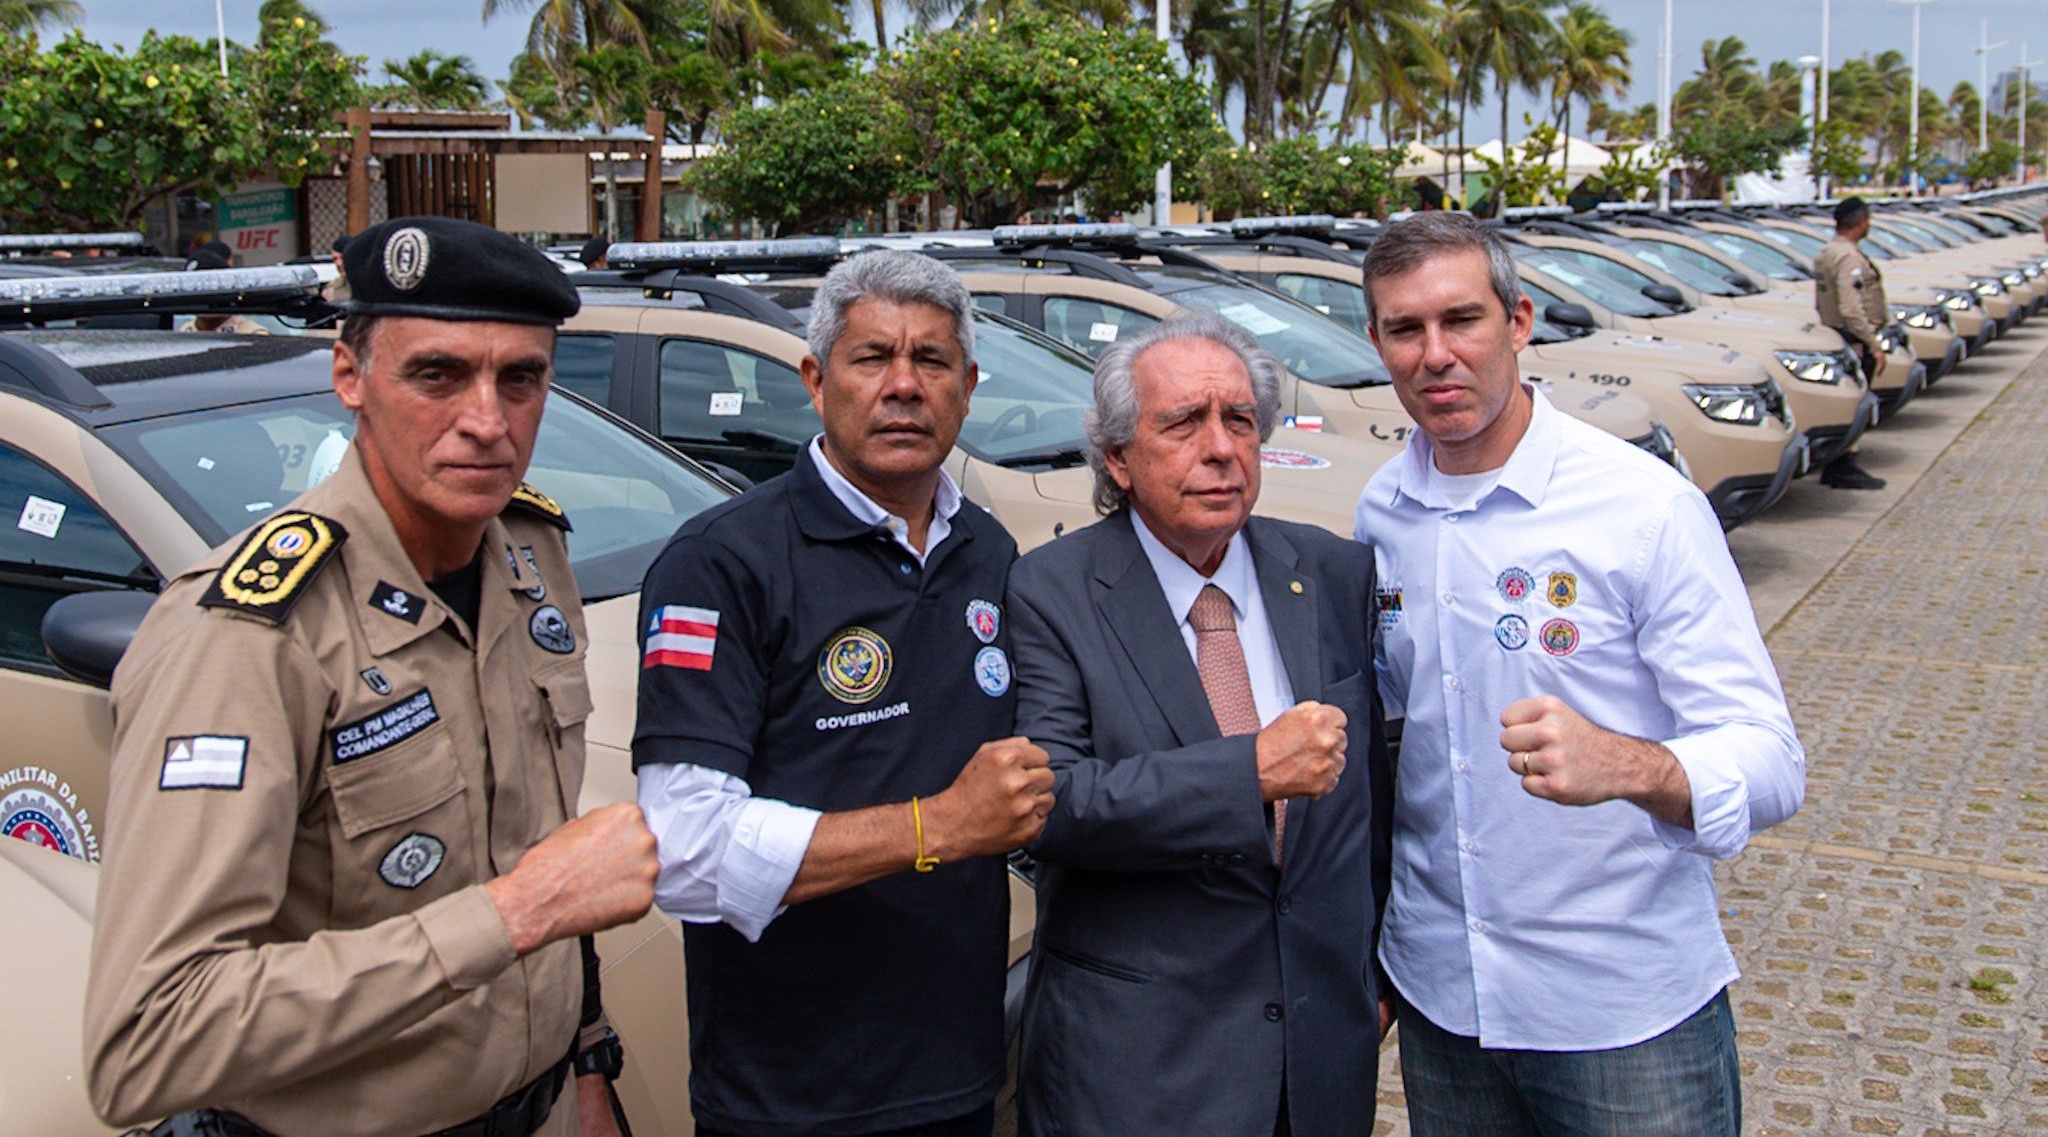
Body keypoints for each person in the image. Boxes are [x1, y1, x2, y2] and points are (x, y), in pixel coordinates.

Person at [84, 216, 658, 1137]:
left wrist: (587, 1058)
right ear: (349, 378)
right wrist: (511, 914)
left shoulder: (528, 554)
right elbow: (149, 1039)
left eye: (521, 378)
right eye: (437, 374)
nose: (487, 421)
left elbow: (531, 839)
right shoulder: (247, 635)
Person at [1352, 212, 1805, 1137]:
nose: (1435, 354)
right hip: (1448, 1004)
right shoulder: (1381, 512)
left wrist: (1634, 767)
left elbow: (1772, 761)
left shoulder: (1643, 508)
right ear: (1378, 343)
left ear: (1518, 322)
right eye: (1406, 329)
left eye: (1462, 320)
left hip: (1624, 1014)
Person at [633, 249, 1053, 1137]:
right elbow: (684, 848)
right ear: (816, 380)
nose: (904, 386)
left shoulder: (985, 547)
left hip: (959, 1067)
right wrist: (935, 827)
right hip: (790, 1093)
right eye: (873, 359)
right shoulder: (722, 563)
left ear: (968, 386)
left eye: (931, 361)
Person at [1008, 313, 1393, 1137]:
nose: (1221, 448)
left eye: (1241, 420)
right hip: (1143, 1069)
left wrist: (1374, 973)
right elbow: (1051, 805)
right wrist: (1248, 771)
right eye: (1183, 423)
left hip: (1322, 1057)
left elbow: (1378, 798)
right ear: (1117, 457)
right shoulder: (1052, 590)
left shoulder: (1330, 570)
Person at [1811, 195, 1888, 490]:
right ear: (1861, 222)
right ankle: (1844, 466)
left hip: (1836, 334)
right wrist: (1873, 342)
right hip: (1852, 339)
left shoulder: (1827, 252)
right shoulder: (1848, 258)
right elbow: (1851, 307)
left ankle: (1840, 464)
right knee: (1855, 402)